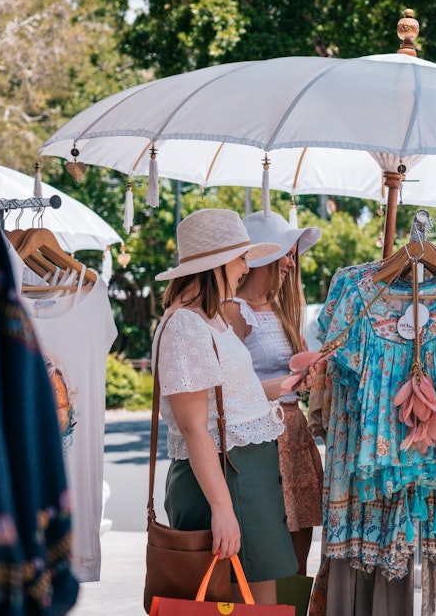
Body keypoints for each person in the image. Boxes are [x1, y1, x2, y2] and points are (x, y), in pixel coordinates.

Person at [152, 208, 298, 604]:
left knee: (255, 596)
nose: (245, 267)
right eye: (240, 258)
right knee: (237, 600)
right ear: (216, 264)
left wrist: (292, 382)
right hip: (226, 476)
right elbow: (194, 426)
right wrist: (222, 508)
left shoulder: (208, 319)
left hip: (243, 472)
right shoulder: (185, 325)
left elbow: (236, 397)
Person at [223, 210, 324, 575]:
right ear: (263, 256)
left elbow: (292, 371)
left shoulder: (283, 309)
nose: (290, 262)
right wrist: (287, 383)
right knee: (264, 552)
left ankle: (293, 608)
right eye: (286, 252)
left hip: (293, 432)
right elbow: (227, 388)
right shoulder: (233, 312)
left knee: (300, 546)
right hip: (260, 437)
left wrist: (309, 375)